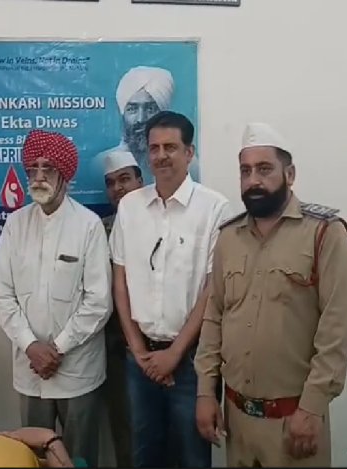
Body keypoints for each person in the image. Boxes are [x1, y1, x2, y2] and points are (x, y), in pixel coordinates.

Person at [194, 122, 347, 467]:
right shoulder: (228, 238)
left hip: (294, 422)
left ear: (290, 174)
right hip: (237, 420)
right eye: (245, 171)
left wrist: (312, 408)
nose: (253, 180)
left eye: (264, 169)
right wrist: (206, 392)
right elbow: (214, 317)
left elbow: (337, 330)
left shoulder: (324, 234)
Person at [109, 111, 230, 467]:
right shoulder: (130, 207)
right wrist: (138, 349)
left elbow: (212, 290)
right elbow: (120, 282)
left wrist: (175, 353)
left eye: (170, 147)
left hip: (192, 362)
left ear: (189, 153)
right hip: (140, 361)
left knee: (192, 457)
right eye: (154, 148)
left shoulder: (214, 208)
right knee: (143, 455)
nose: (161, 155)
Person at [0, 129, 112, 466]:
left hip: (77, 369)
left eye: (48, 168)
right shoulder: (14, 225)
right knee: (34, 458)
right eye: (32, 168)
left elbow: (98, 302)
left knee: (79, 458)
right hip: (31, 369)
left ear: (65, 174)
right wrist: (31, 346)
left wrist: (57, 349)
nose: (39, 177)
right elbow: (4, 296)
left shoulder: (88, 225)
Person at [100, 150, 144, 466]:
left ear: (140, 181)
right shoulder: (99, 229)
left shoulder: (163, 221)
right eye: (111, 183)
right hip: (117, 349)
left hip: (166, 347)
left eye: (125, 179)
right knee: (126, 428)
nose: (118, 188)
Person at [93, 66, 200, 184]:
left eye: (150, 109)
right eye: (132, 109)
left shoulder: (189, 166)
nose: (140, 119)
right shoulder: (101, 163)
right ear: (123, 114)